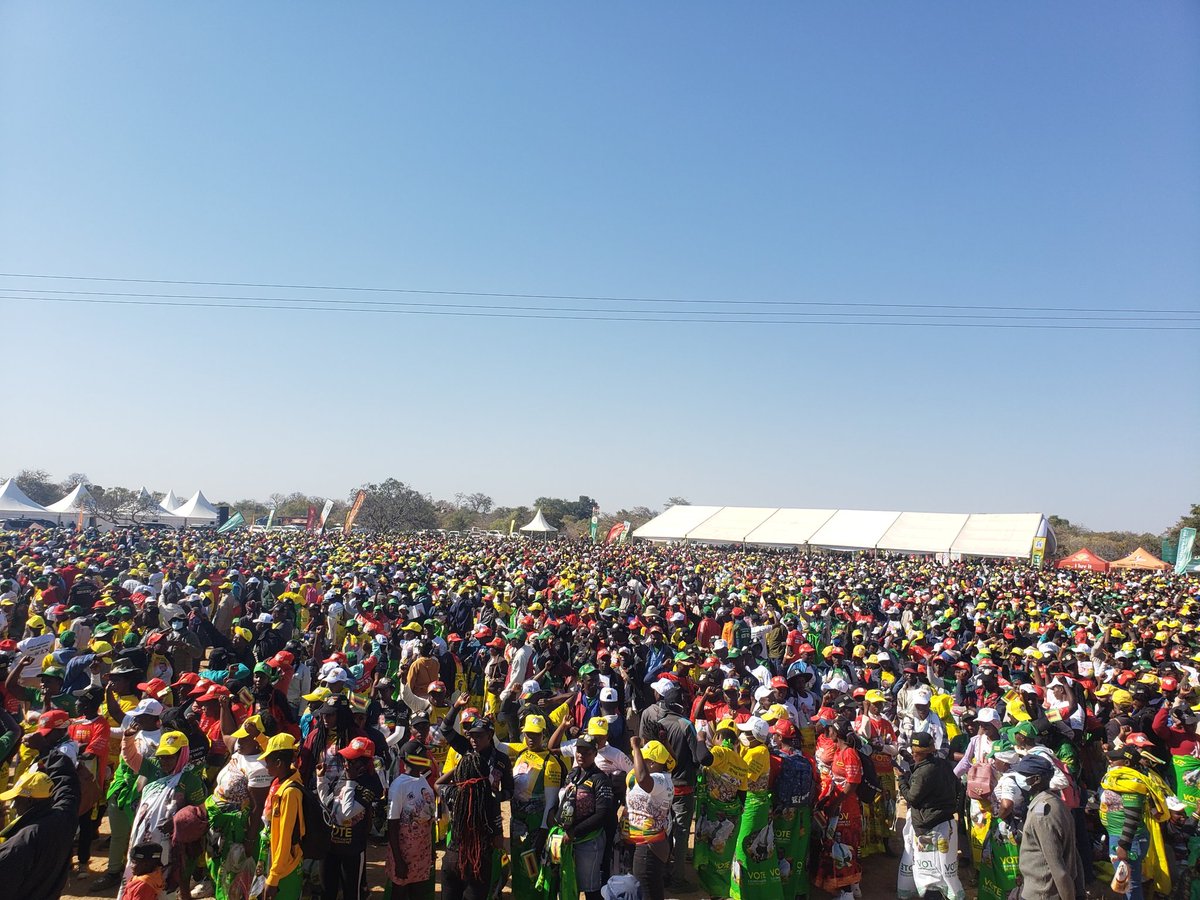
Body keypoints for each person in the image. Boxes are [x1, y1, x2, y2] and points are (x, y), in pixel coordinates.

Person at [0, 712, 82, 900]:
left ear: (29, 801)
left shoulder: (18, 845)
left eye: (16, 799)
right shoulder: (63, 818)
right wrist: (46, 750)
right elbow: (67, 783)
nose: (13, 804)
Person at [438, 699, 513, 900]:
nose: (473, 740)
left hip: (484, 828)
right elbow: (445, 729)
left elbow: (509, 791)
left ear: (490, 736)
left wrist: (494, 796)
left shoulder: (501, 760)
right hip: (462, 822)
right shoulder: (467, 752)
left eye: (478, 736)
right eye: (470, 735)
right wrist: (455, 707)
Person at [897, 731, 964, 900]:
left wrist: (902, 781)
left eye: (915, 752)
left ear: (920, 753)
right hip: (946, 824)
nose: (913, 754)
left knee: (929, 873)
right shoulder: (942, 764)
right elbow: (958, 787)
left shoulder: (923, 772)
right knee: (943, 869)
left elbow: (912, 797)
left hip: (930, 828)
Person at [316, 734, 384, 900]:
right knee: (327, 891)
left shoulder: (370, 783)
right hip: (330, 847)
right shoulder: (346, 775)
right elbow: (328, 803)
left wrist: (351, 782)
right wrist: (321, 779)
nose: (345, 763)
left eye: (350, 760)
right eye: (346, 759)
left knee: (352, 893)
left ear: (363, 763)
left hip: (351, 850)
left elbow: (346, 813)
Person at [1017, 754, 1086, 900]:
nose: (1019, 780)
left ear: (1036, 779)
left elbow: (1056, 866)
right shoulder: (1054, 801)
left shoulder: (1043, 814)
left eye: (1023, 776)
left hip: (1043, 893)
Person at [557, 733, 615, 900]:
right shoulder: (572, 773)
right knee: (567, 883)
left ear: (595, 754)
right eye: (579, 751)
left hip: (589, 840)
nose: (581, 755)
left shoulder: (600, 779)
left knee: (590, 887)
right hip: (567, 839)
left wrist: (575, 831)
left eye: (587, 752)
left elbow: (602, 814)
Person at [730, 716, 782, 900]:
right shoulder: (754, 748)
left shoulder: (758, 752)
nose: (742, 735)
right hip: (751, 803)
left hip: (754, 804)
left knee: (747, 845)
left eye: (746, 732)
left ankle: (750, 891)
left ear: (755, 735)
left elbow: (746, 777)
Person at [814, 718, 863, 900]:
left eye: (831, 730)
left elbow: (852, 783)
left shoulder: (849, 753)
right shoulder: (839, 751)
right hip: (839, 805)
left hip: (846, 809)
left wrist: (836, 803)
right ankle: (853, 887)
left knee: (844, 847)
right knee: (842, 847)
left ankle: (847, 893)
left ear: (837, 733)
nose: (829, 732)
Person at [625, 736, 675, 900]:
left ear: (653, 763)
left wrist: (636, 747)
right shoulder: (661, 779)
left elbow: (643, 779)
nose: (637, 764)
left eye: (643, 760)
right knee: (651, 889)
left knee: (646, 890)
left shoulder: (659, 780)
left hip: (649, 845)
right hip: (649, 843)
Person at [386, 741, 437, 900]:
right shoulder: (398, 786)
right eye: (423, 755)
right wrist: (398, 860)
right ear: (413, 758)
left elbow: (429, 818)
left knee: (418, 891)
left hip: (422, 850)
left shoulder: (422, 780)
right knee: (400, 892)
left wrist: (431, 850)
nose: (426, 757)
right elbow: (392, 825)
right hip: (404, 853)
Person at [261, 733, 306, 900]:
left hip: (285, 867)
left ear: (279, 763)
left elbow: (285, 837)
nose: (266, 767)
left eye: (268, 762)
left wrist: (273, 877)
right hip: (277, 862)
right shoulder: (284, 778)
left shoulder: (290, 793)